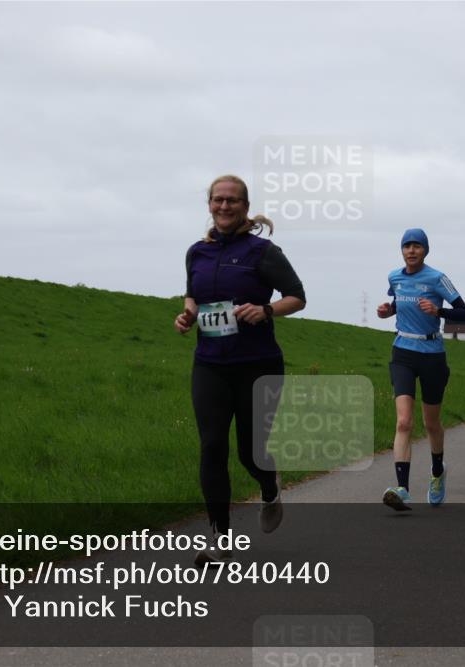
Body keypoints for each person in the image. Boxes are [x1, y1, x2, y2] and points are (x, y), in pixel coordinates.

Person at [175, 175, 306, 564]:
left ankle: (269, 485)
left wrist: (264, 309)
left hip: (258, 365)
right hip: (210, 365)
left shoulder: (263, 251)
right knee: (212, 446)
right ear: (210, 205)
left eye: (233, 201)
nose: (225, 206)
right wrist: (187, 315)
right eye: (218, 200)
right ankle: (219, 538)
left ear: (245, 207)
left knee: (251, 453)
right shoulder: (197, 251)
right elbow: (192, 295)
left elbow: (297, 297)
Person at [376, 229, 465, 510]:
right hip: (403, 351)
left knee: (431, 423)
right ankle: (402, 489)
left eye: (417, 246)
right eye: (407, 246)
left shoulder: (436, 278)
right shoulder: (395, 277)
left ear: (425, 250)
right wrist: (387, 310)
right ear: (401, 250)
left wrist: (438, 312)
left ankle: (438, 471)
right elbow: (398, 302)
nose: (411, 251)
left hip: (432, 354)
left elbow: (464, 314)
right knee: (404, 422)